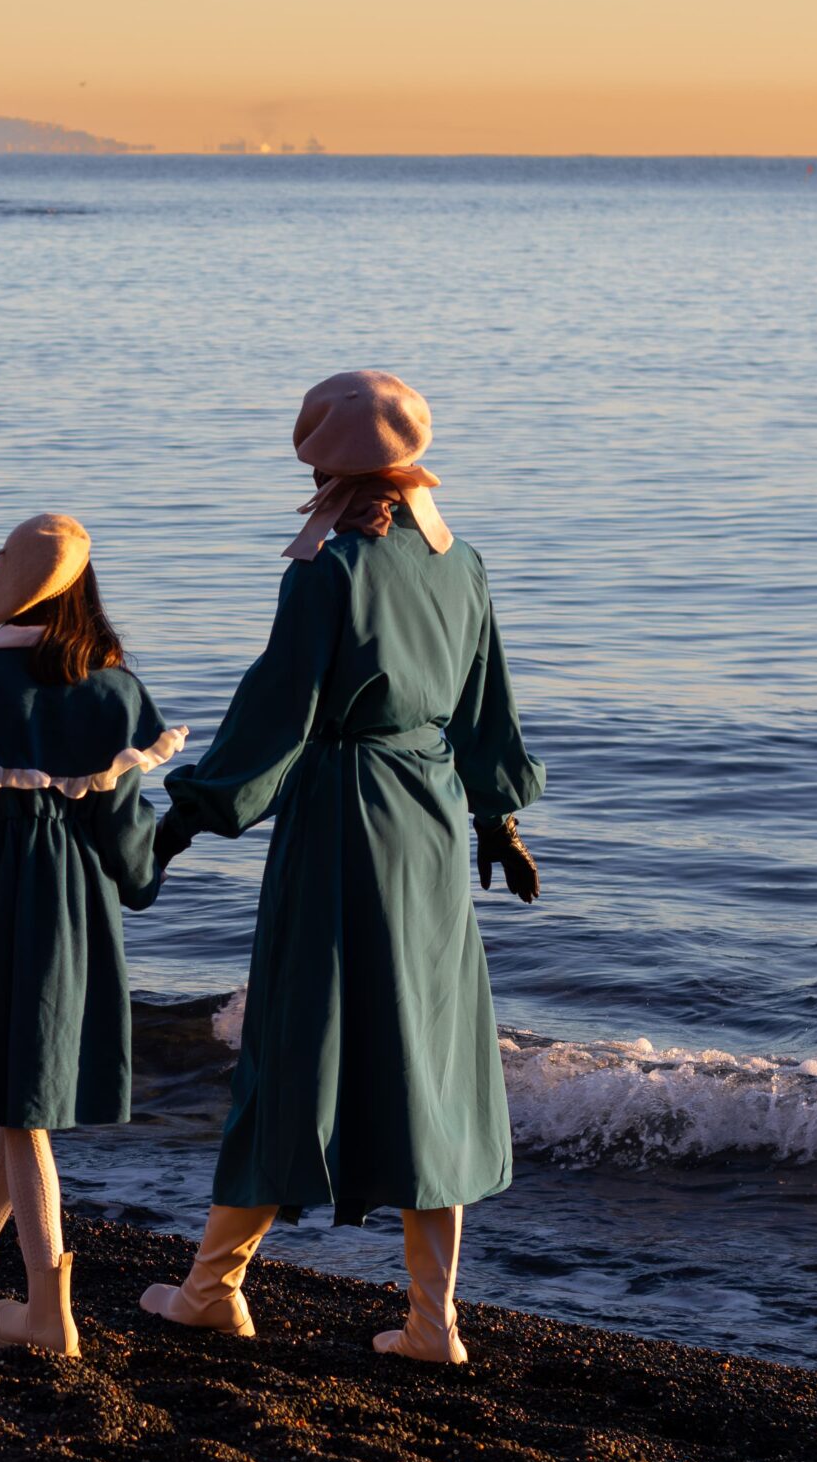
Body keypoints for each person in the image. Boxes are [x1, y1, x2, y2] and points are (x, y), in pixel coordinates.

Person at [142, 371, 543, 1364]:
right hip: (435, 826)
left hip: (342, 823)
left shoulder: (326, 571)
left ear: (325, 463)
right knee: (428, 1059)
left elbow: (278, 715)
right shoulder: (465, 565)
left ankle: (210, 1290)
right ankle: (433, 1320)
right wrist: (497, 821)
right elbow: (488, 711)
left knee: (297, 1045)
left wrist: (185, 818)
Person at [0, 513, 187, 1357]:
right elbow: (125, 830)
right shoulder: (111, 687)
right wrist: (142, 880)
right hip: (78, 902)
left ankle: (51, 1314)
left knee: (20, 1100)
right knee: (21, 1093)